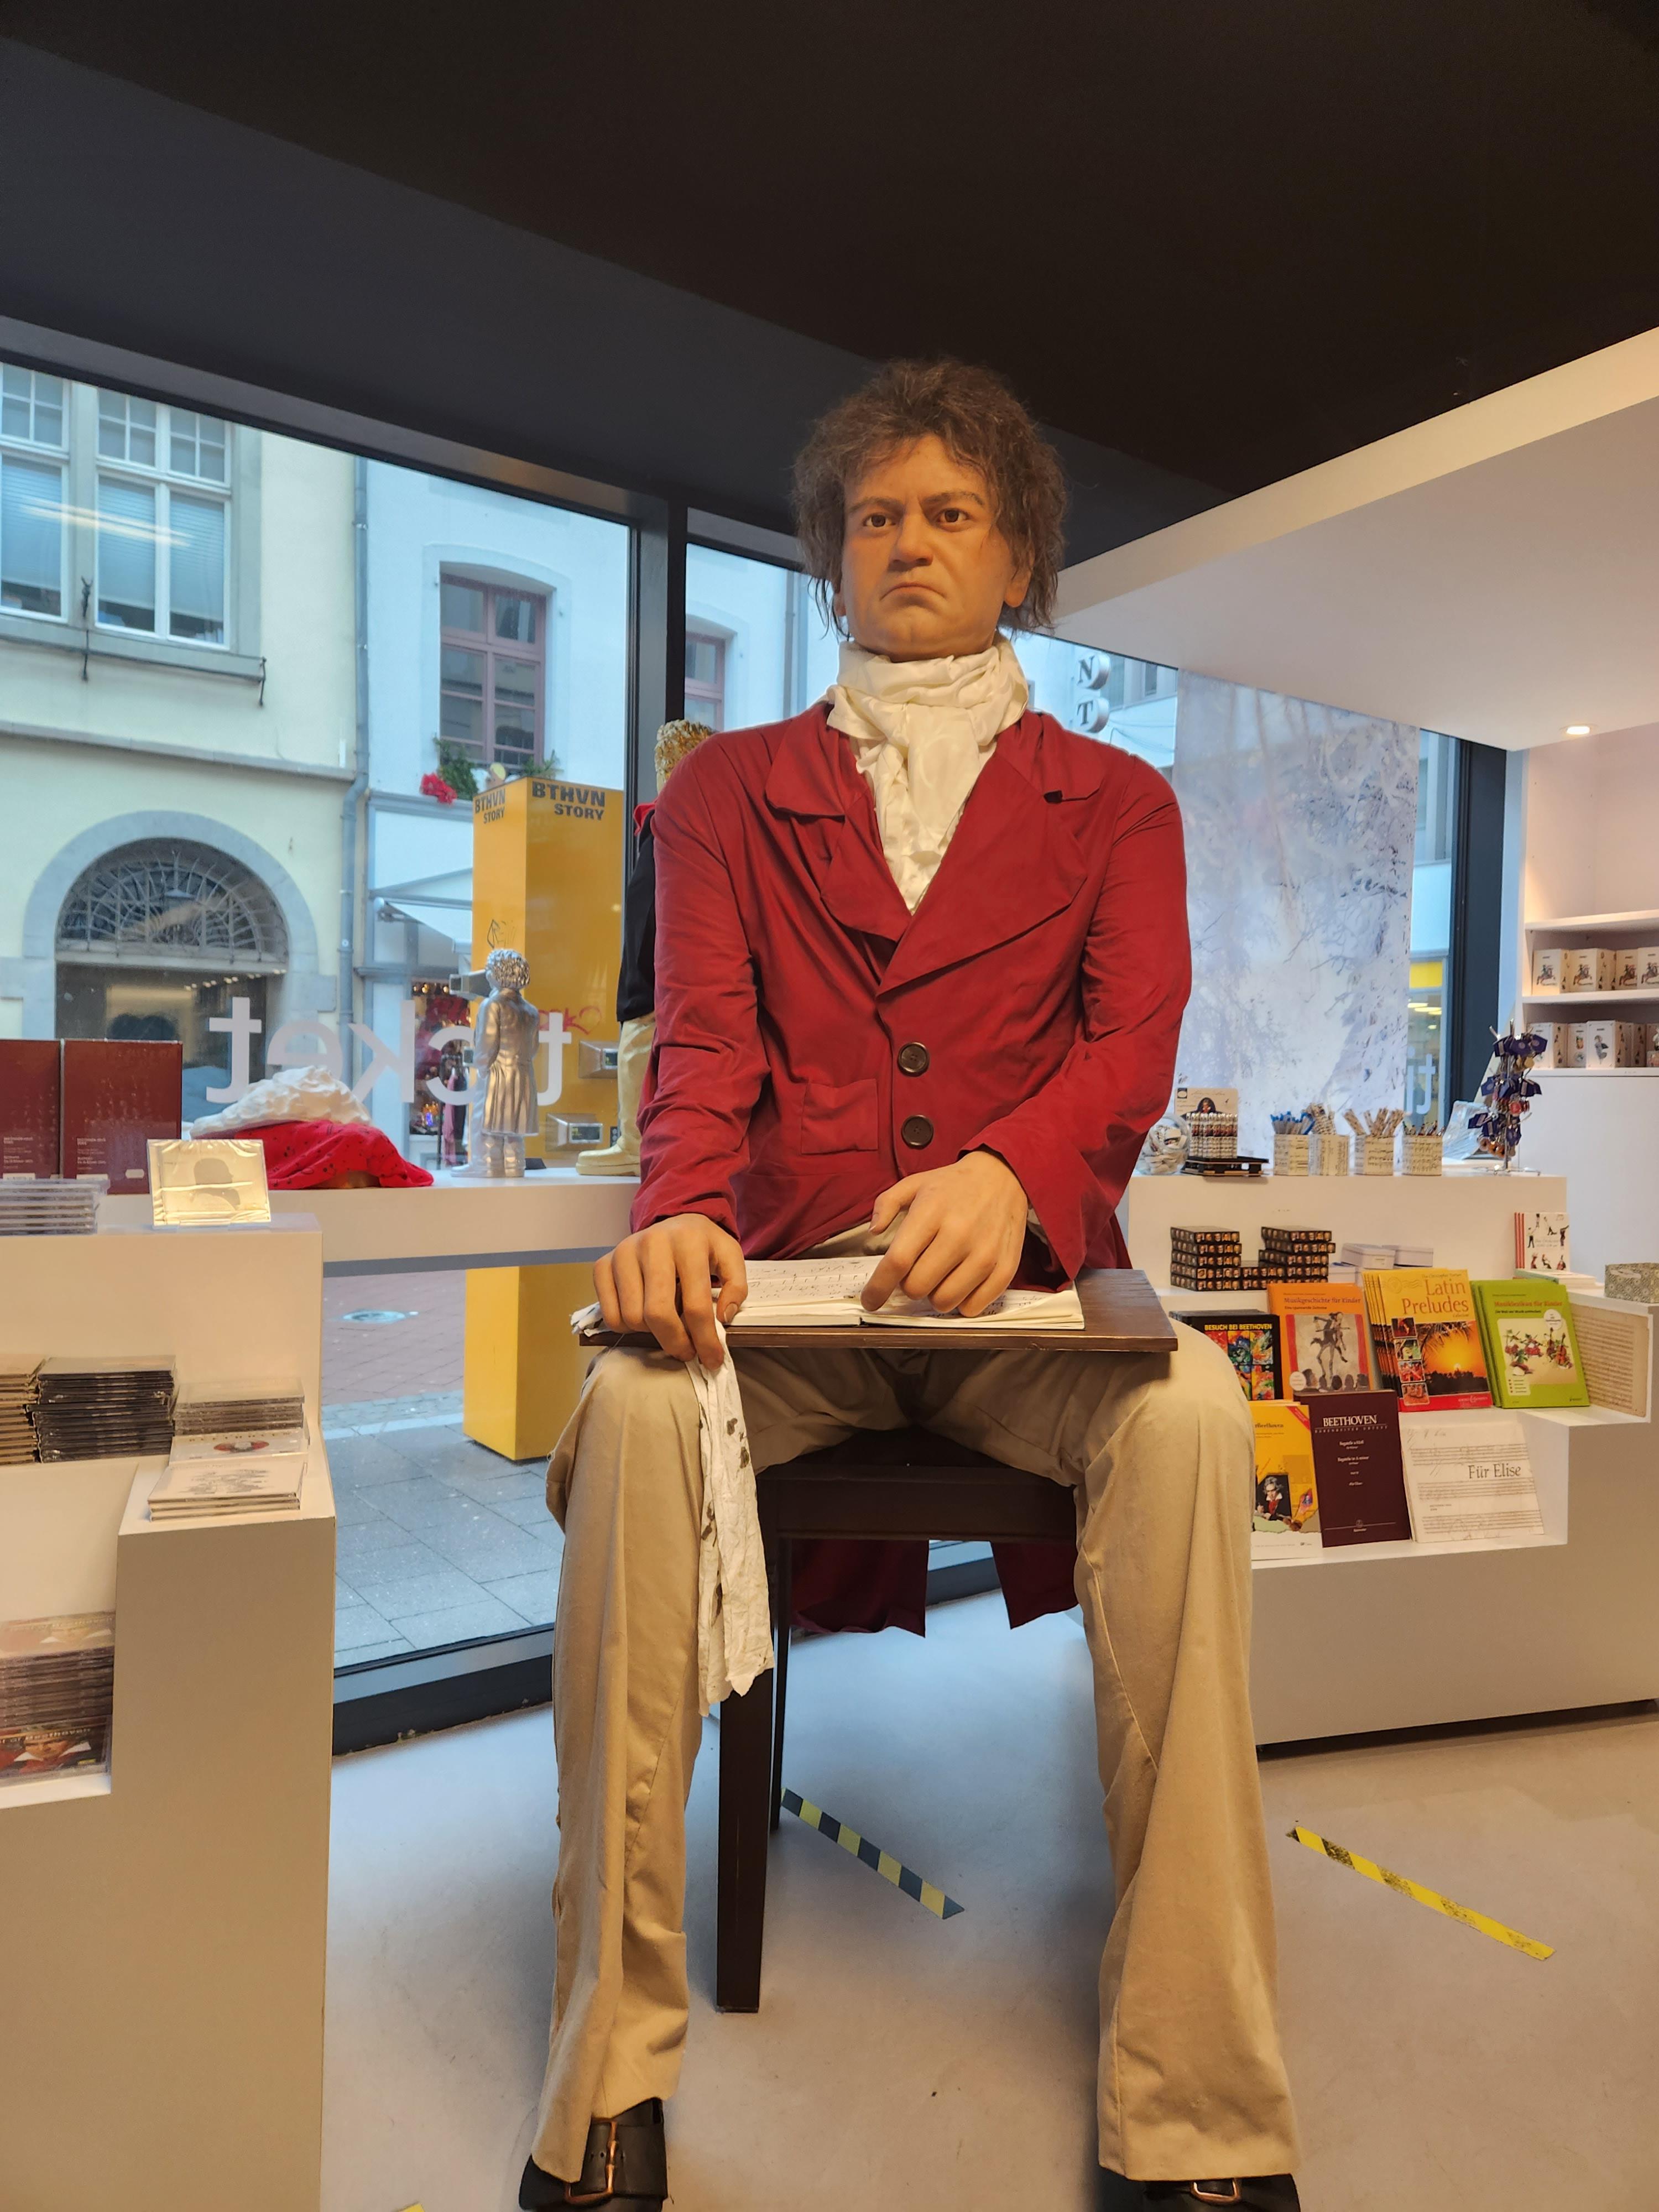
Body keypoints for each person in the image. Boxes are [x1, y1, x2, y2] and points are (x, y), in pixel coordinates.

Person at [520, 360, 1301, 2211]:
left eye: (952, 514)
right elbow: (702, 1046)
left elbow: (1131, 1047)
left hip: (1023, 1307)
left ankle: (1198, 2106)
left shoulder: (1121, 804)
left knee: (1196, 1418)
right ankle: (604, 2079)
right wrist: (679, 1210)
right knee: (632, 1410)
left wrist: (1015, 1175)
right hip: (792, 1295)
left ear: (1020, 556)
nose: (910, 543)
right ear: (832, 556)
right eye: (875, 517)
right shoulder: (723, 796)